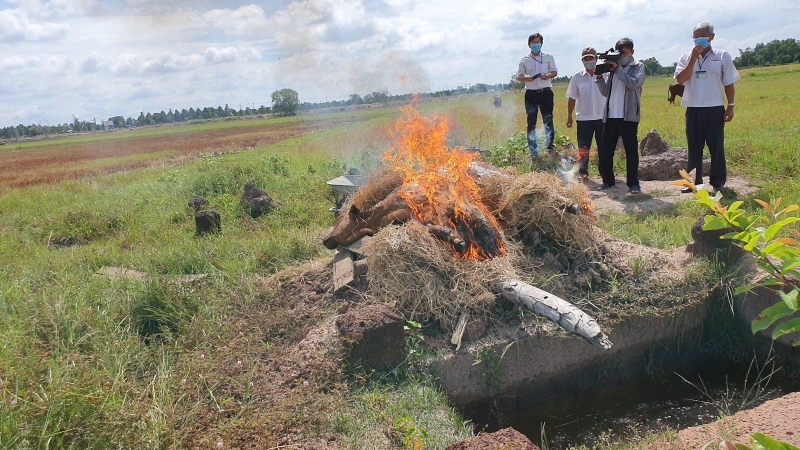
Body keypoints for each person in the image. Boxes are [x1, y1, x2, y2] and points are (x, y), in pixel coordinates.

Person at [674, 22, 740, 193]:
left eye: (703, 35)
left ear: (711, 37)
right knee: (694, 147)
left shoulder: (722, 56)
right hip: (694, 109)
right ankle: (694, 182)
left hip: (715, 108)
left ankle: (717, 181)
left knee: (716, 146)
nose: (699, 39)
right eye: (696, 36)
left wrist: (730, 106)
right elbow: (680, 79)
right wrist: (693, 59)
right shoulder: (685, 57)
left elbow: (729, 83)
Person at [594, 37, 645, 194]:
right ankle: (608, 181)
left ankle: (633, 183)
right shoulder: (612, 69)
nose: (621, 55)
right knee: (605, 150)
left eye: (624, 53)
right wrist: (599, 77)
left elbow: (632, 83)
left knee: (631, 151)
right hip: (610, 116)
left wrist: (617, 69)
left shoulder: (638, 67)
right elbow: (604, 92)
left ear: (632, 52)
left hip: (628, 116)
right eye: (619, 53)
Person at [565, 47, 607, 182]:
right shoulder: (577, 77)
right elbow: (572, 98)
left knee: (604, 147)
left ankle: (605, 172)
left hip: (603, 117)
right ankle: (583, 173)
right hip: (584, 118)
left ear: (597, 59)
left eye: (591, 58)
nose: (588, 61)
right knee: (583, 148)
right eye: (586, 59)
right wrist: (569, 116)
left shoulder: (606, 75)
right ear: (582, 60)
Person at [517, 33, 558, 157]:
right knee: (531, 122)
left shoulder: (548, 57)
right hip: (531, 94)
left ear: (541, 43)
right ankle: (533, 151)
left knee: (548, 120)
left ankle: (550, 146)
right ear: (529, 44)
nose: (536, 44)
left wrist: (548, 76)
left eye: (538, 42)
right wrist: (526, 78)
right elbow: (519, 76)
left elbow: (555, 72)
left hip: (545, 92)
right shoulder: (524, 60)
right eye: (533, 42)